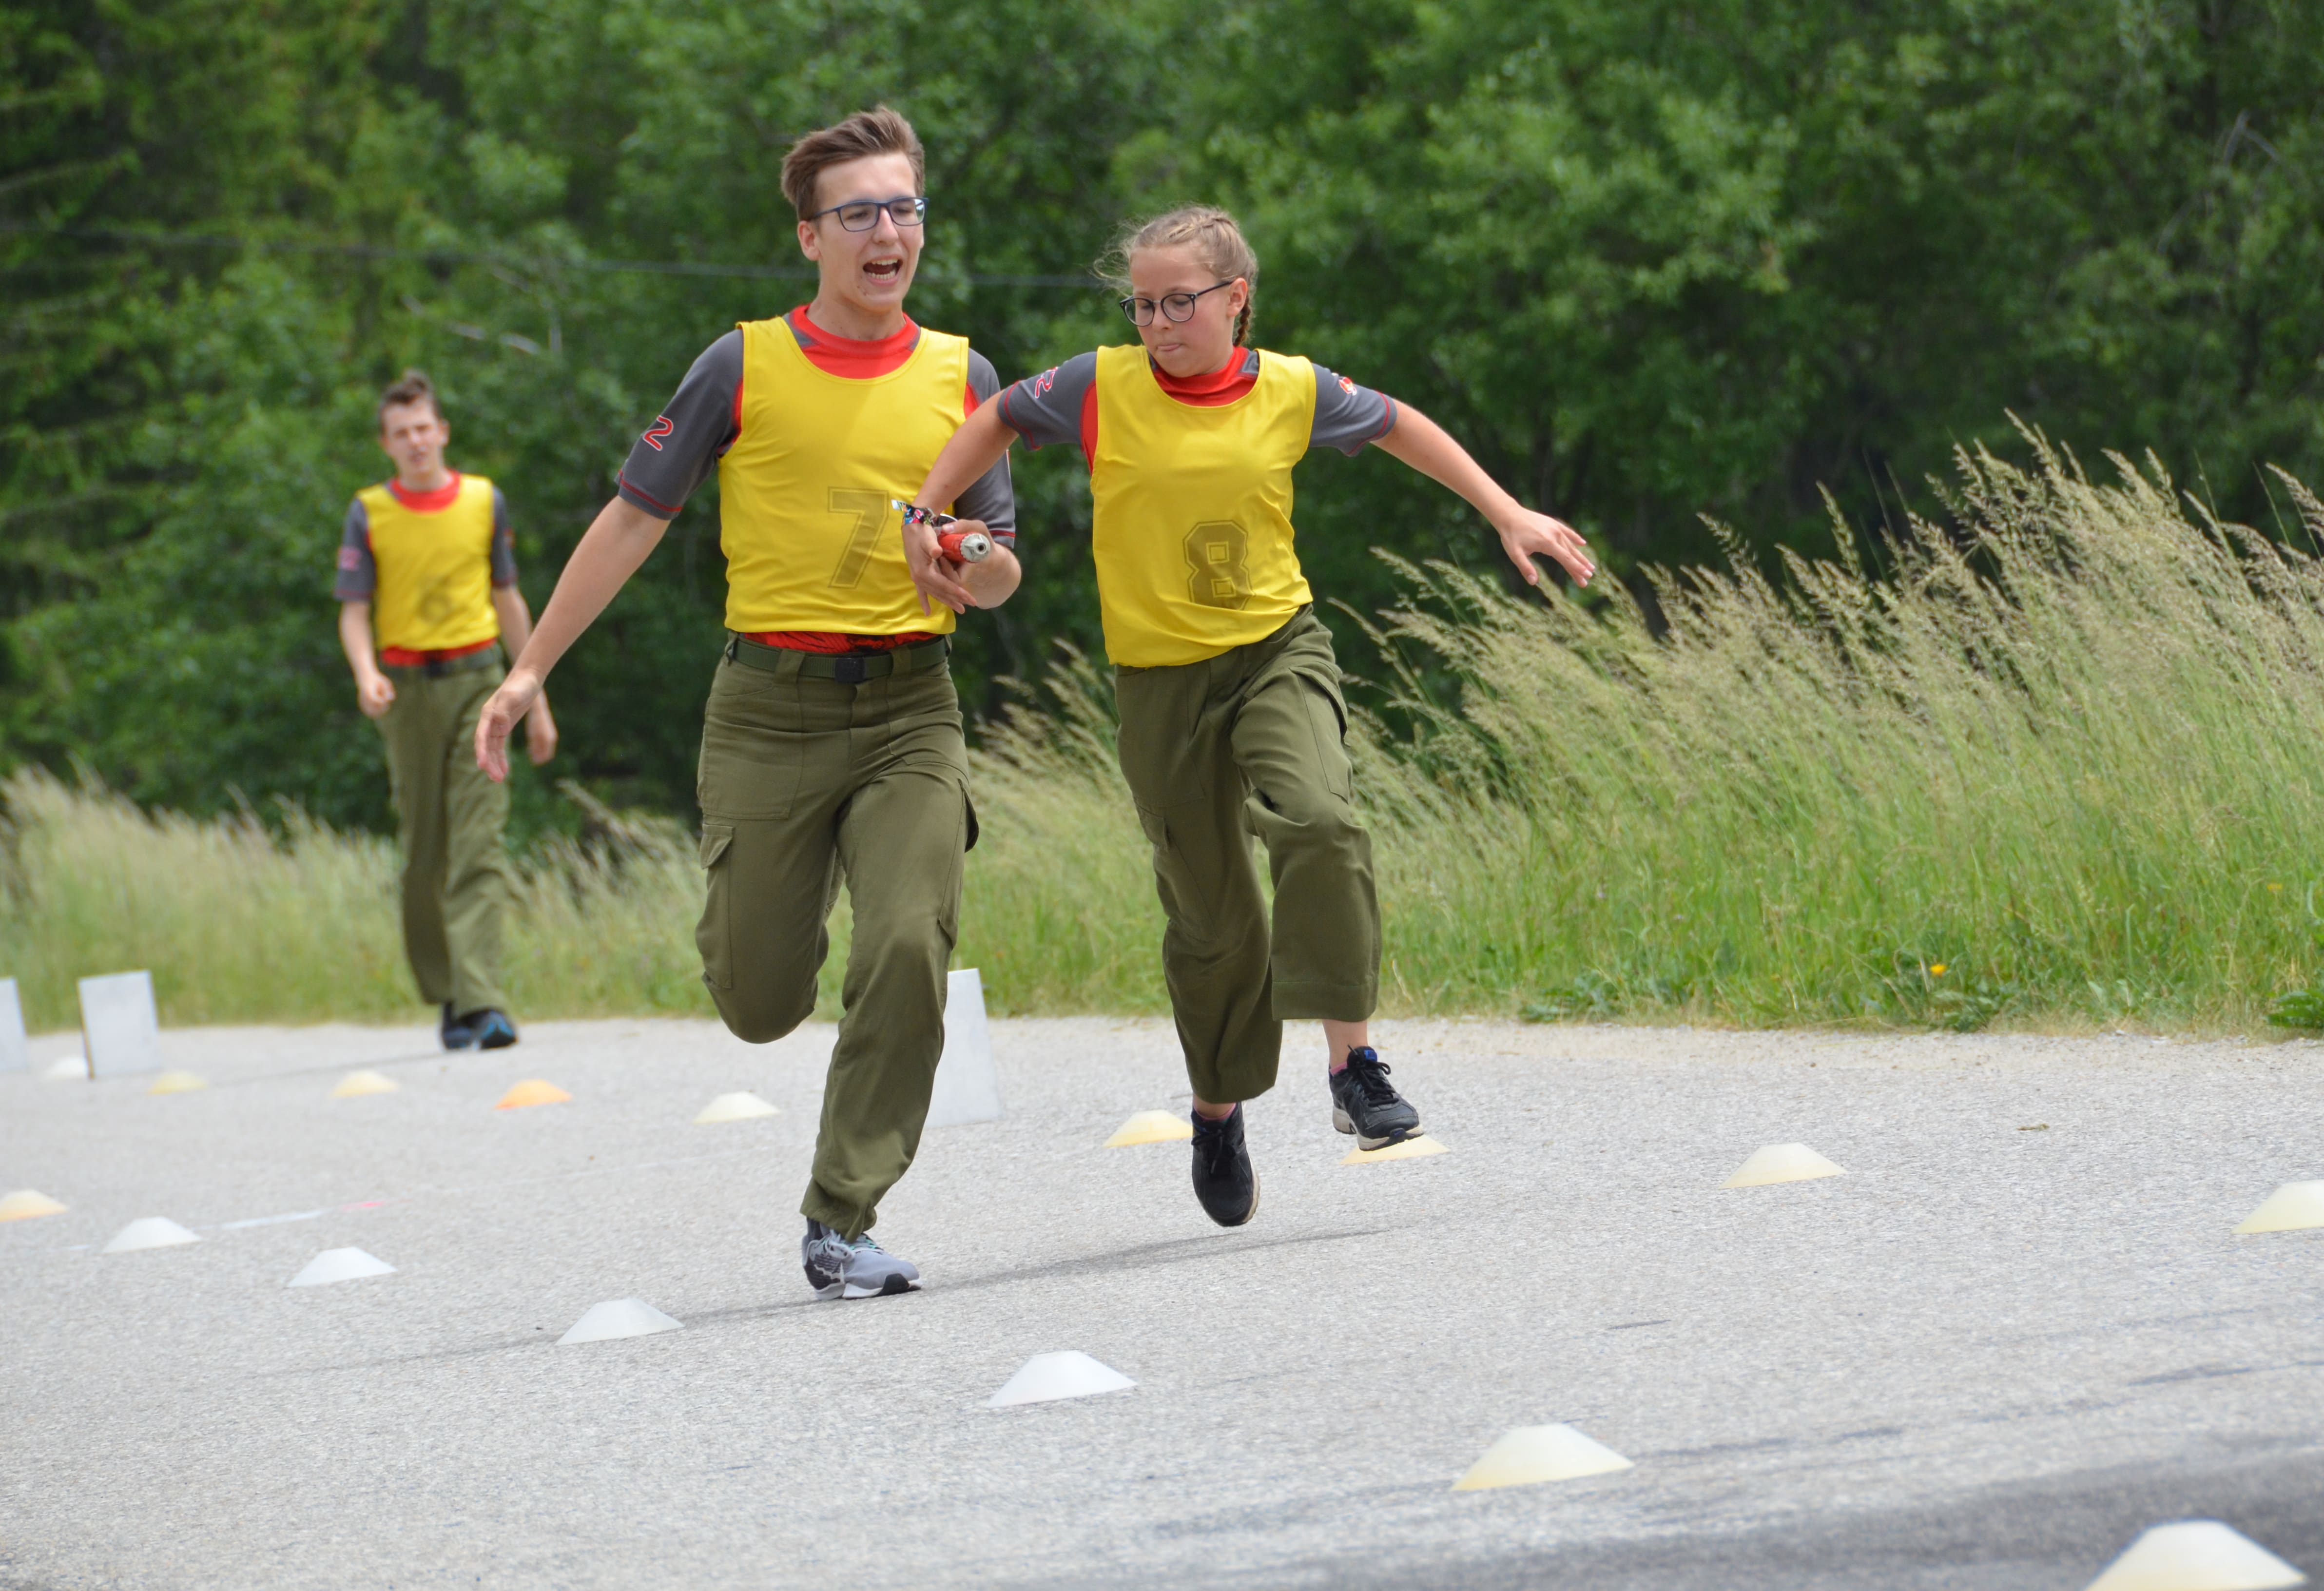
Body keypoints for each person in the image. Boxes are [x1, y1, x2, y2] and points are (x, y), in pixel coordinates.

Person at [911, 204, 1592, 1228]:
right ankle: (1218, 1110)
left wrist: (1505, 510)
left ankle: (1353, 1064)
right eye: (1142, 305)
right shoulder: (1099, 385)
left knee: (1320, 820)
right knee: (1212, 916)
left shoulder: (1291, 389)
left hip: (1276, 648)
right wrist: (929, 510)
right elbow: (999, 413)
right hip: (1157, 682)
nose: (1156, 323)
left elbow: (1402, 424)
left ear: (1236, 298)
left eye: (1178, 302)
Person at [471, 107, 1019, 1300]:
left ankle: (842, 1215)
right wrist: (531, 669)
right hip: (766, 711)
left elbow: (1002, 562)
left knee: (908, 942)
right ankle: (764, 914)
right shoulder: (742, 364)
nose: (890, 232)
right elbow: (631, 522)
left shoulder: (965, 377)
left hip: (910, 707)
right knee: (762, 1002)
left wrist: (967, 567)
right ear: (810, 239)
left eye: (905, 208)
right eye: (860, 213)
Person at [338, 370, 558, 1053]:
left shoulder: (484, 502)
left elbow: (510, 601)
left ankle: (485, 999)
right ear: (386, 443)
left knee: (480, 841)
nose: (415, 442)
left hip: (478, 684)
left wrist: (537, 698)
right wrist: (366, 672)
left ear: (443, 433)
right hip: (406, 691)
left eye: (424, 429)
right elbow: (353, 611)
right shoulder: (369, 511)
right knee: (424, 853)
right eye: (401, 433)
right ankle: (448, 996)